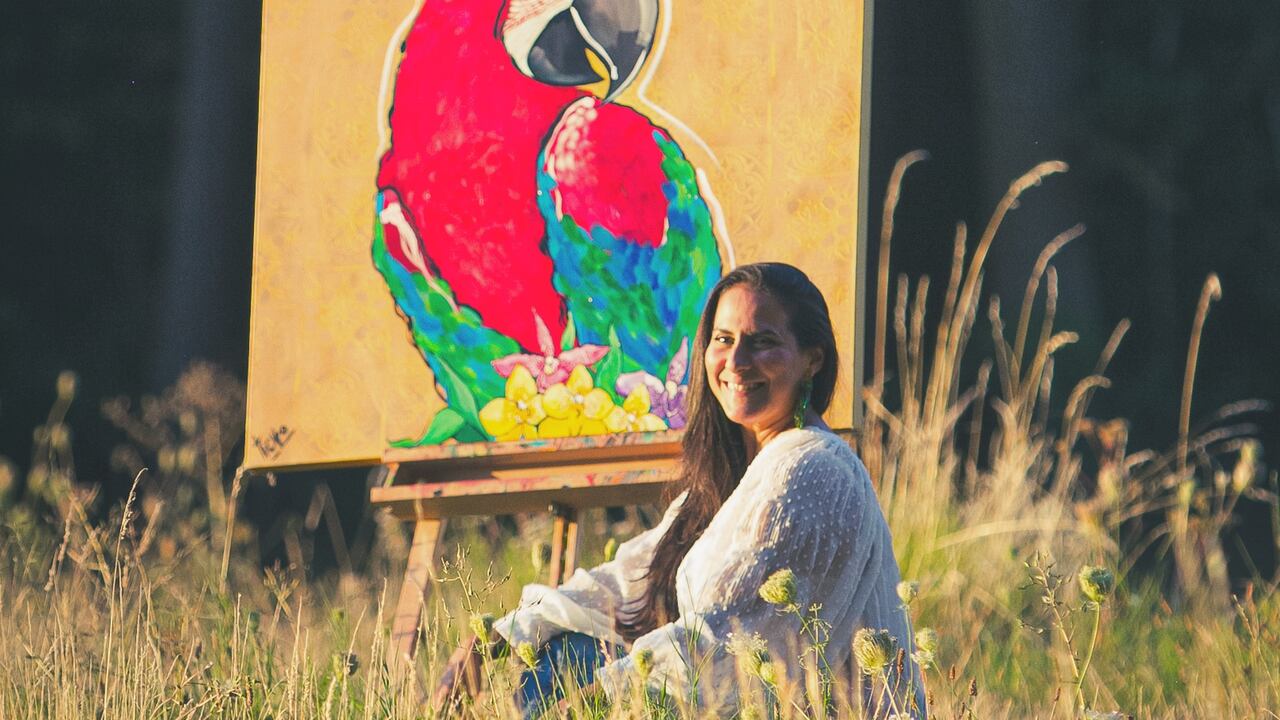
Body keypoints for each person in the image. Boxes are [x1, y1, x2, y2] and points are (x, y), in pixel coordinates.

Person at [493, 262, 925, 717]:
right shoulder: (734, 475)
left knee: (582, 663)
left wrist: (590, 703)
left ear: (812, 359)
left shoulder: (814, 467)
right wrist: (501, 638)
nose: (736, 362)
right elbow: (627, 581)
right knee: (564, 648)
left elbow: (727, 643)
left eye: (763, 342)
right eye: (724, 340)